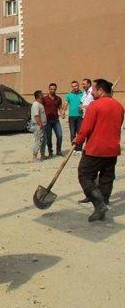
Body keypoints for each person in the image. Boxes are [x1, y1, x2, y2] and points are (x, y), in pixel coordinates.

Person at [73, 79, 124, 222]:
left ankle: (99, 204)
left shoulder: (94, 106)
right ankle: (104, 204)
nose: (92, 93)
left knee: (84, 175)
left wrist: (77, 140)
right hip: (113, 149)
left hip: (95, 149)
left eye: (93, 90)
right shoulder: (119, 106)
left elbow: (86, 128)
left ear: (100, 90)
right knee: (106, 178)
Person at [61, 80, 84, 156]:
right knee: (72, 133)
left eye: (76, 86)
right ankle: (74, 149)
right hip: (71, 117)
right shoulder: (68, 95)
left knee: (80, 133)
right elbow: (65, 104)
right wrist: (63, 111)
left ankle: (79, 149)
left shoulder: (83, 94)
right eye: (73, 86)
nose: (75, 87)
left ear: (78, 86)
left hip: (80, 116)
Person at [42, 83, 63, 157]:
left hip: (56, 120)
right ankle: (50, 152)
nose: (53, 90)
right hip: (47, 121)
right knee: (49, 137)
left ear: (56, 89)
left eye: (54, 89)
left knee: (60, 135)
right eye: (51, 89)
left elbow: (60, 108)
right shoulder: (44, 99)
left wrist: (62, 113)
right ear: (49, 89)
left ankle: (59, 151)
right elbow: (41, 109)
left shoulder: (58, 99)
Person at [31, 90, 47, 162]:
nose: (43, 95)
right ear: (39, 96)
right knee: (38, 141)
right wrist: (40, 124)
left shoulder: (40, 104)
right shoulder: (36, 104)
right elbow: (36, 116)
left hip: (42, 125)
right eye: (42, 94)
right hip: (38, 126)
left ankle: (42, 155)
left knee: (43, 141)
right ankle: (34, 157)